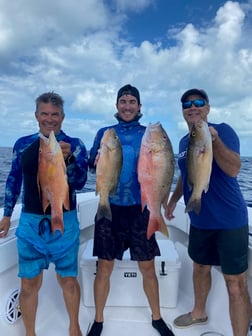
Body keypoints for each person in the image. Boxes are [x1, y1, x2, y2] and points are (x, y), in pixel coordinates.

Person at [87, 84, 175, 336]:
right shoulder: (105, 133)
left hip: (141, 209)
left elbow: (160, 168)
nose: (127, 106)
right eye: (123, 101)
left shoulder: (148, 134)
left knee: (148, 266)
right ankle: (99, 319)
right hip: (110, 208)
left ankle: (157, 318)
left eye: (132, 102)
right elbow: (94, 167)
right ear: (117, 105)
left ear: (139, 106)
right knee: (104, 266)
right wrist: (94, 161)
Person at [0, 92, 88, 336]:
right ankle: (30, 333)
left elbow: (80, 183)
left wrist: (69, 158)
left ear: (63, 117)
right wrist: (7, 215)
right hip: (30, 223)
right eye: (45, 114)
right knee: (28, 284)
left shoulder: (76, 145)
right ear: (37, 115)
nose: (50, 119)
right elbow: (13, 180)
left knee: (68, 280)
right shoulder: (22, 144)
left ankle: (74, 328)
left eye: (55, 114)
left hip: (65, 221)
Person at [165, 88, 251, 336]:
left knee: (235, 283)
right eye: (187, 104)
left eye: (198, 102)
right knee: (199, 268)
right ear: (183, 111)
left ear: (208, 107)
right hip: (200, 219)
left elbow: (234, 168)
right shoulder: (183, 142)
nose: (192, 107)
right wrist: (172, 200)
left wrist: (214, 140)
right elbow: (187, 172)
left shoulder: (222, 131)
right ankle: (199, 312)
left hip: (229, 221)